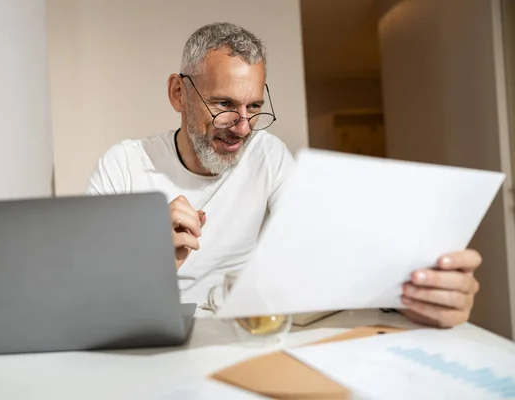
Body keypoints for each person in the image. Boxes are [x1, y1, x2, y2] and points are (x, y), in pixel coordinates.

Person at [86, 22, 481, 328]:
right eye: (224, 104)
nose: (242, 127)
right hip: (148, 342)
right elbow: (83, 298)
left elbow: (327, 249)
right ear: (178, 93)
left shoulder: (267, 155)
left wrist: (412, 295)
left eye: (254, 106)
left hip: (239, 339)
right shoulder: (123, 166)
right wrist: (146, 257)